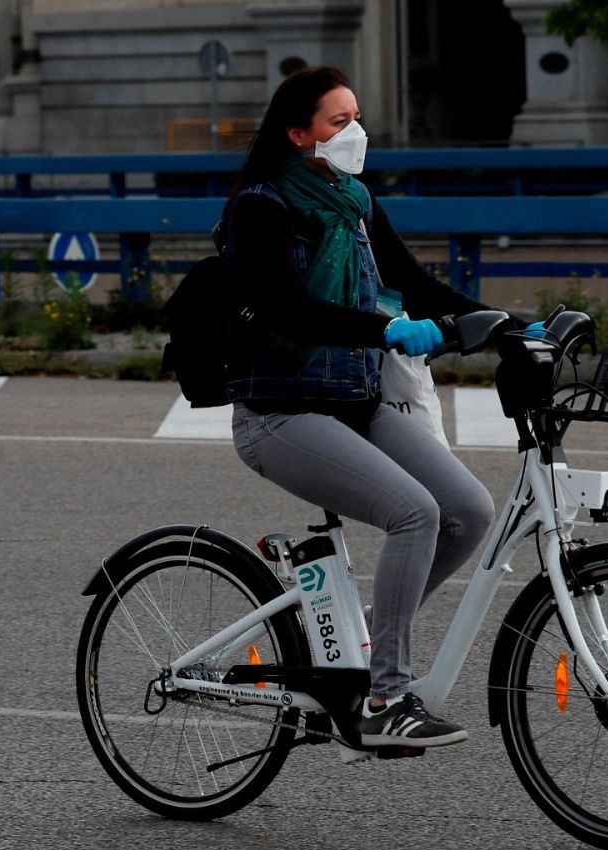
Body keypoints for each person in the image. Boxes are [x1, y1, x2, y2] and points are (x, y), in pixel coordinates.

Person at [223, 66, 531, 750]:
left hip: (353, 400)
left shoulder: (353, 199)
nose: (355, 132)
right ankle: (383, 698)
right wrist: (383, 328)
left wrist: (504, 323)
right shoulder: (261, 205)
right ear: (298, 133)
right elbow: (290, 309)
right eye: (339, 122)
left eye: (356, 117)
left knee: (468, 511)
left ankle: (357, 644)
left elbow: (411, 281)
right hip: (280, 414)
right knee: (414, 512)